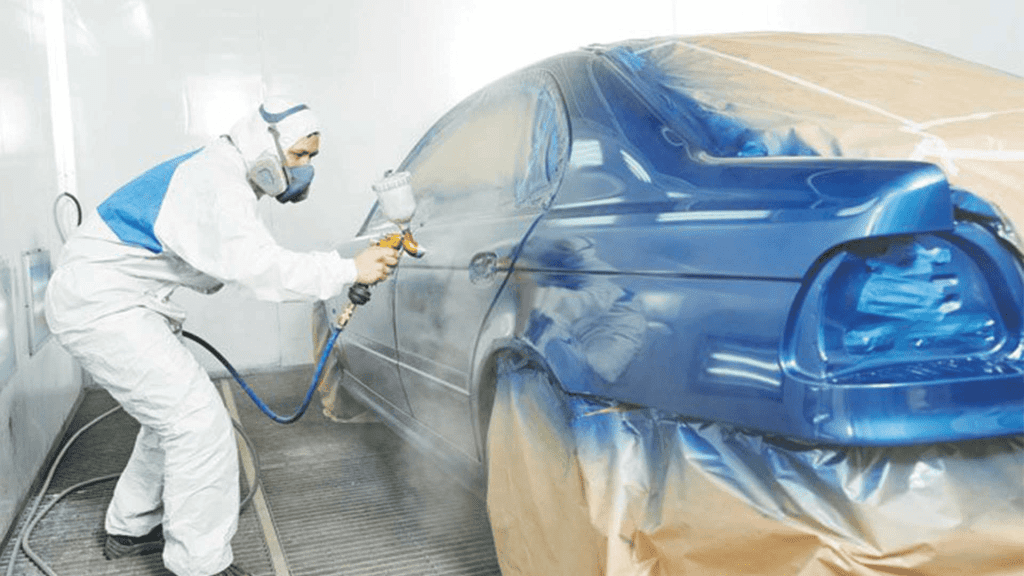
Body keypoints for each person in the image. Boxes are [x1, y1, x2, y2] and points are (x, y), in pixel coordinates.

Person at [44, 98, 398, 576]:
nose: (306, 169)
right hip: (101, 307)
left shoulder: (223, 173)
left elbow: (227, 261)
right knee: (197, 422)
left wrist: (342, 265)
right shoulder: (215, 181)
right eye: (300, 156)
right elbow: (259, 267)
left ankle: (129, 526)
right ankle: (200, 565)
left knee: (169, 416)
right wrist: (347, 269)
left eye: (312, 158)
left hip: (120, 303)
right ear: (265, 144)